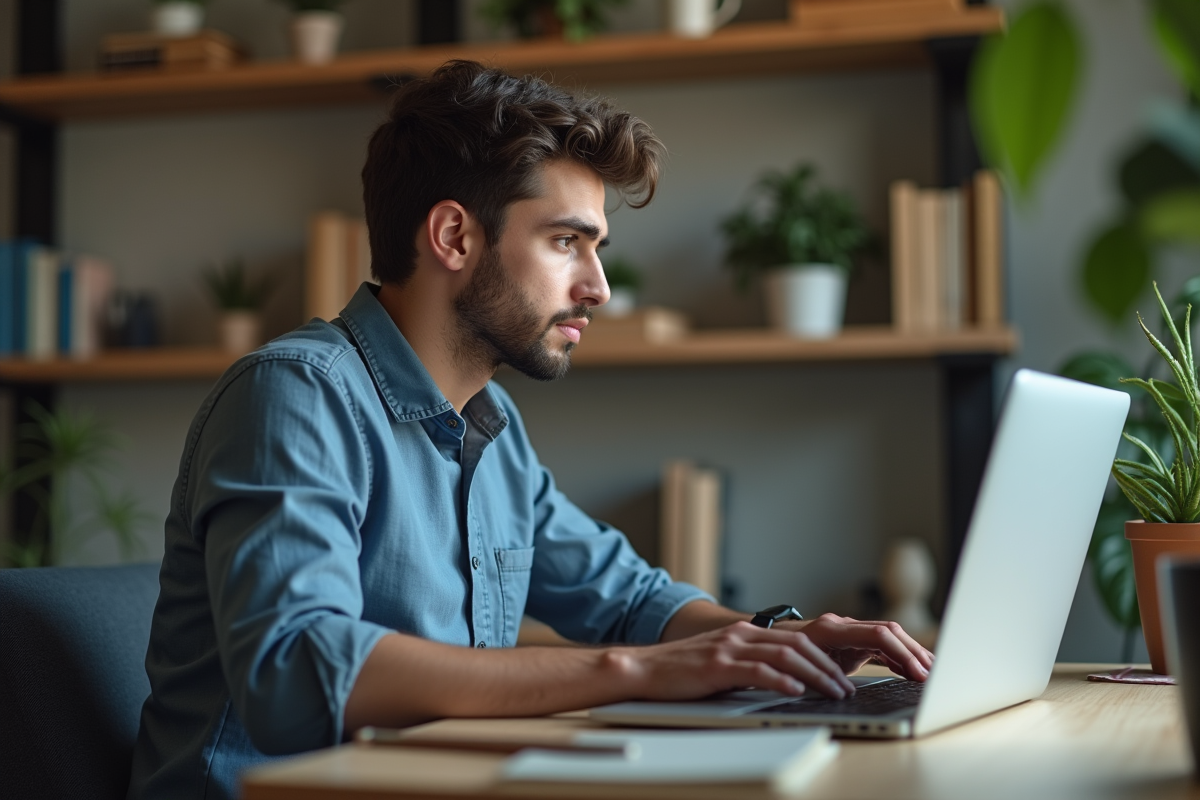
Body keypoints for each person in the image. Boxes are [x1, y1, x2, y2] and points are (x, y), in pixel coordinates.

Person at [127, 60, 933, 800]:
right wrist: (636, 673)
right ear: (453, 237)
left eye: (597, 248)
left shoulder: (492, 426)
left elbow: (628, 598)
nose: (599, 287)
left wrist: (783, 638)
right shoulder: (296, 396)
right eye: (564, 243)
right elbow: (297, 672)